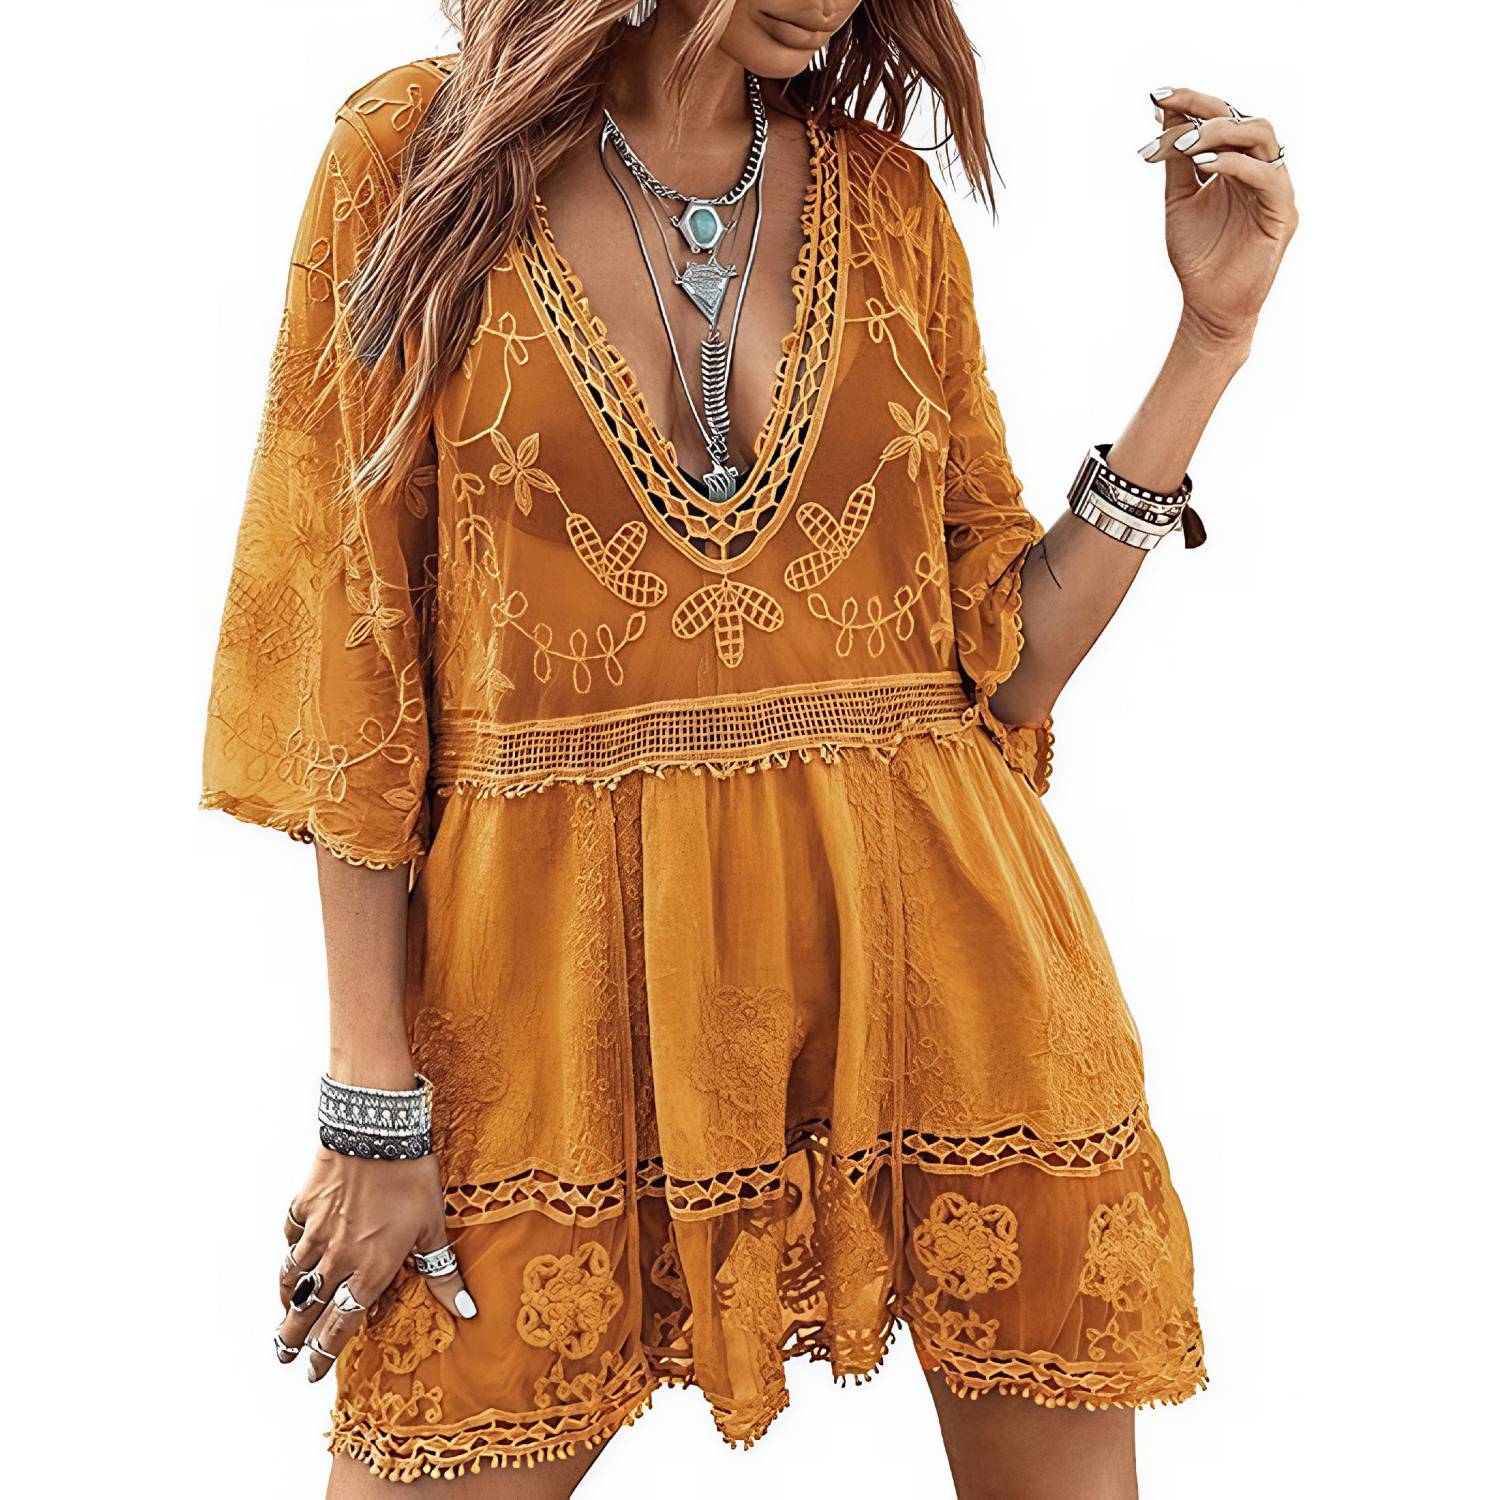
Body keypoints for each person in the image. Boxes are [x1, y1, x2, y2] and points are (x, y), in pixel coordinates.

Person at [201, 2, 1296, 1495]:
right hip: (552, 1008)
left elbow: (1002, 665)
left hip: (944, 982)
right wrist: (370, 1104)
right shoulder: (413, 161)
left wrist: (1208, 343)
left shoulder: (888, 205)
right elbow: (347, 646)